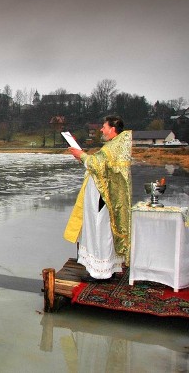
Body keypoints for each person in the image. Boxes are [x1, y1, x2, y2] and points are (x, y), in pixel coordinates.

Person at [63, 115, 132, 280]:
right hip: (104, 196)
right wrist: (80, 155)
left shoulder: (113, 147)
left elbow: (96, 165)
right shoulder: (116, 145)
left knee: (100, 230)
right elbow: (97, 163)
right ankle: (107, 267)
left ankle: (100, 272)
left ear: (112, 128)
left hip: (103, 198)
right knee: (101, 229)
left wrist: (81, 154)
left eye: (104, 126)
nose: (101, 129)